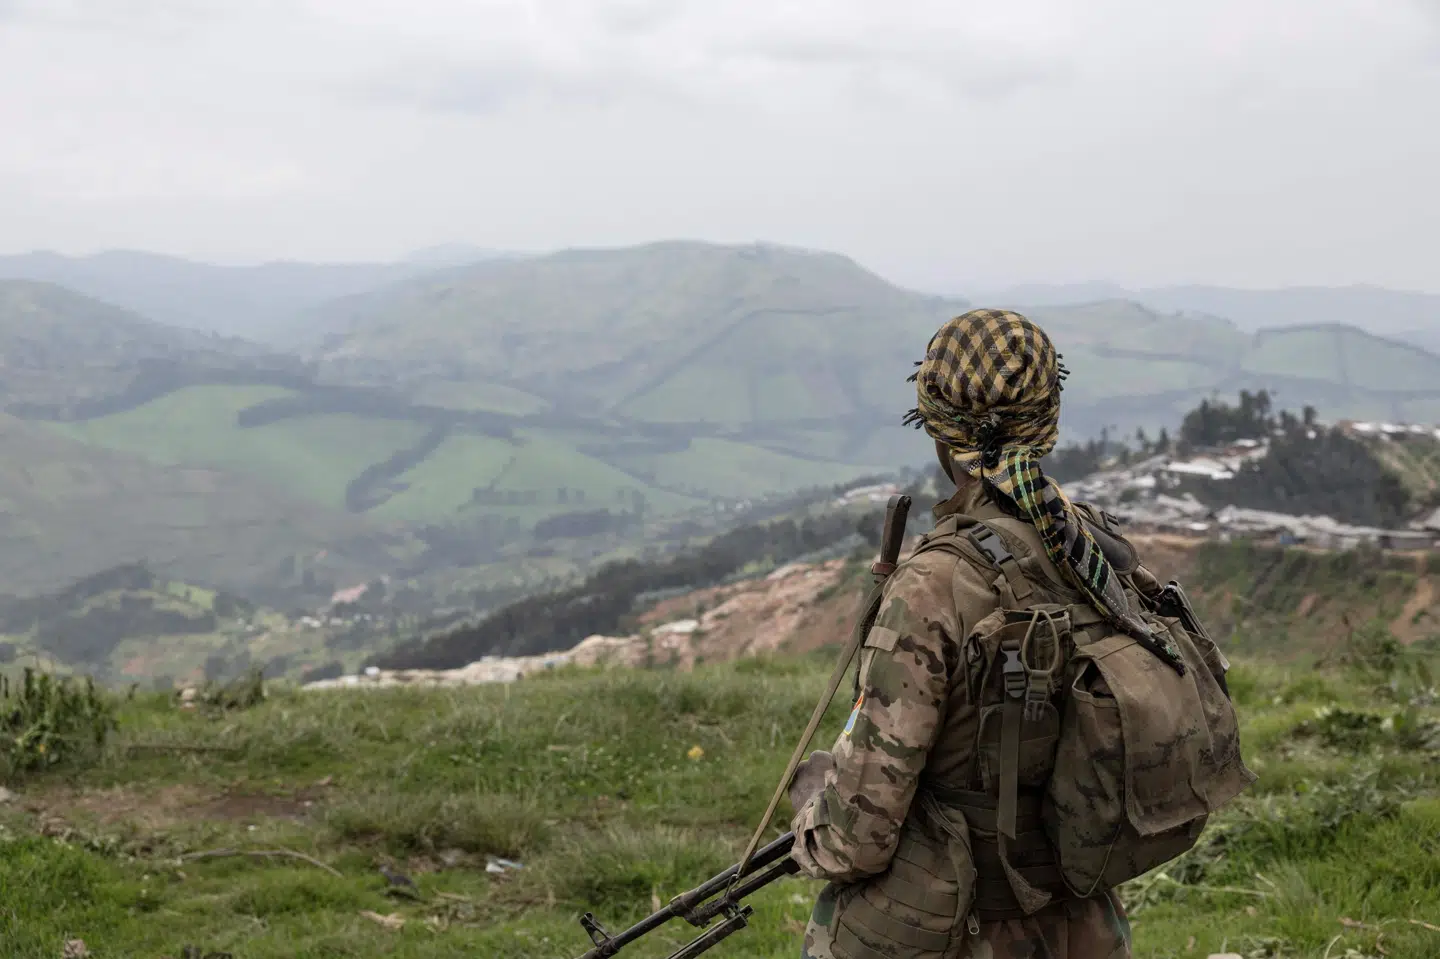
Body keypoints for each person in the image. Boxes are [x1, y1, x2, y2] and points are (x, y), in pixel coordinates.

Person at [786, 309, 1250, 959]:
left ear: (940, 434)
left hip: (955, 931)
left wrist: (813, 810)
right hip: (1086, 927)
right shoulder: (1094, 547)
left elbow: (856, 839)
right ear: (1047, 423)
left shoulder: (932, 585)